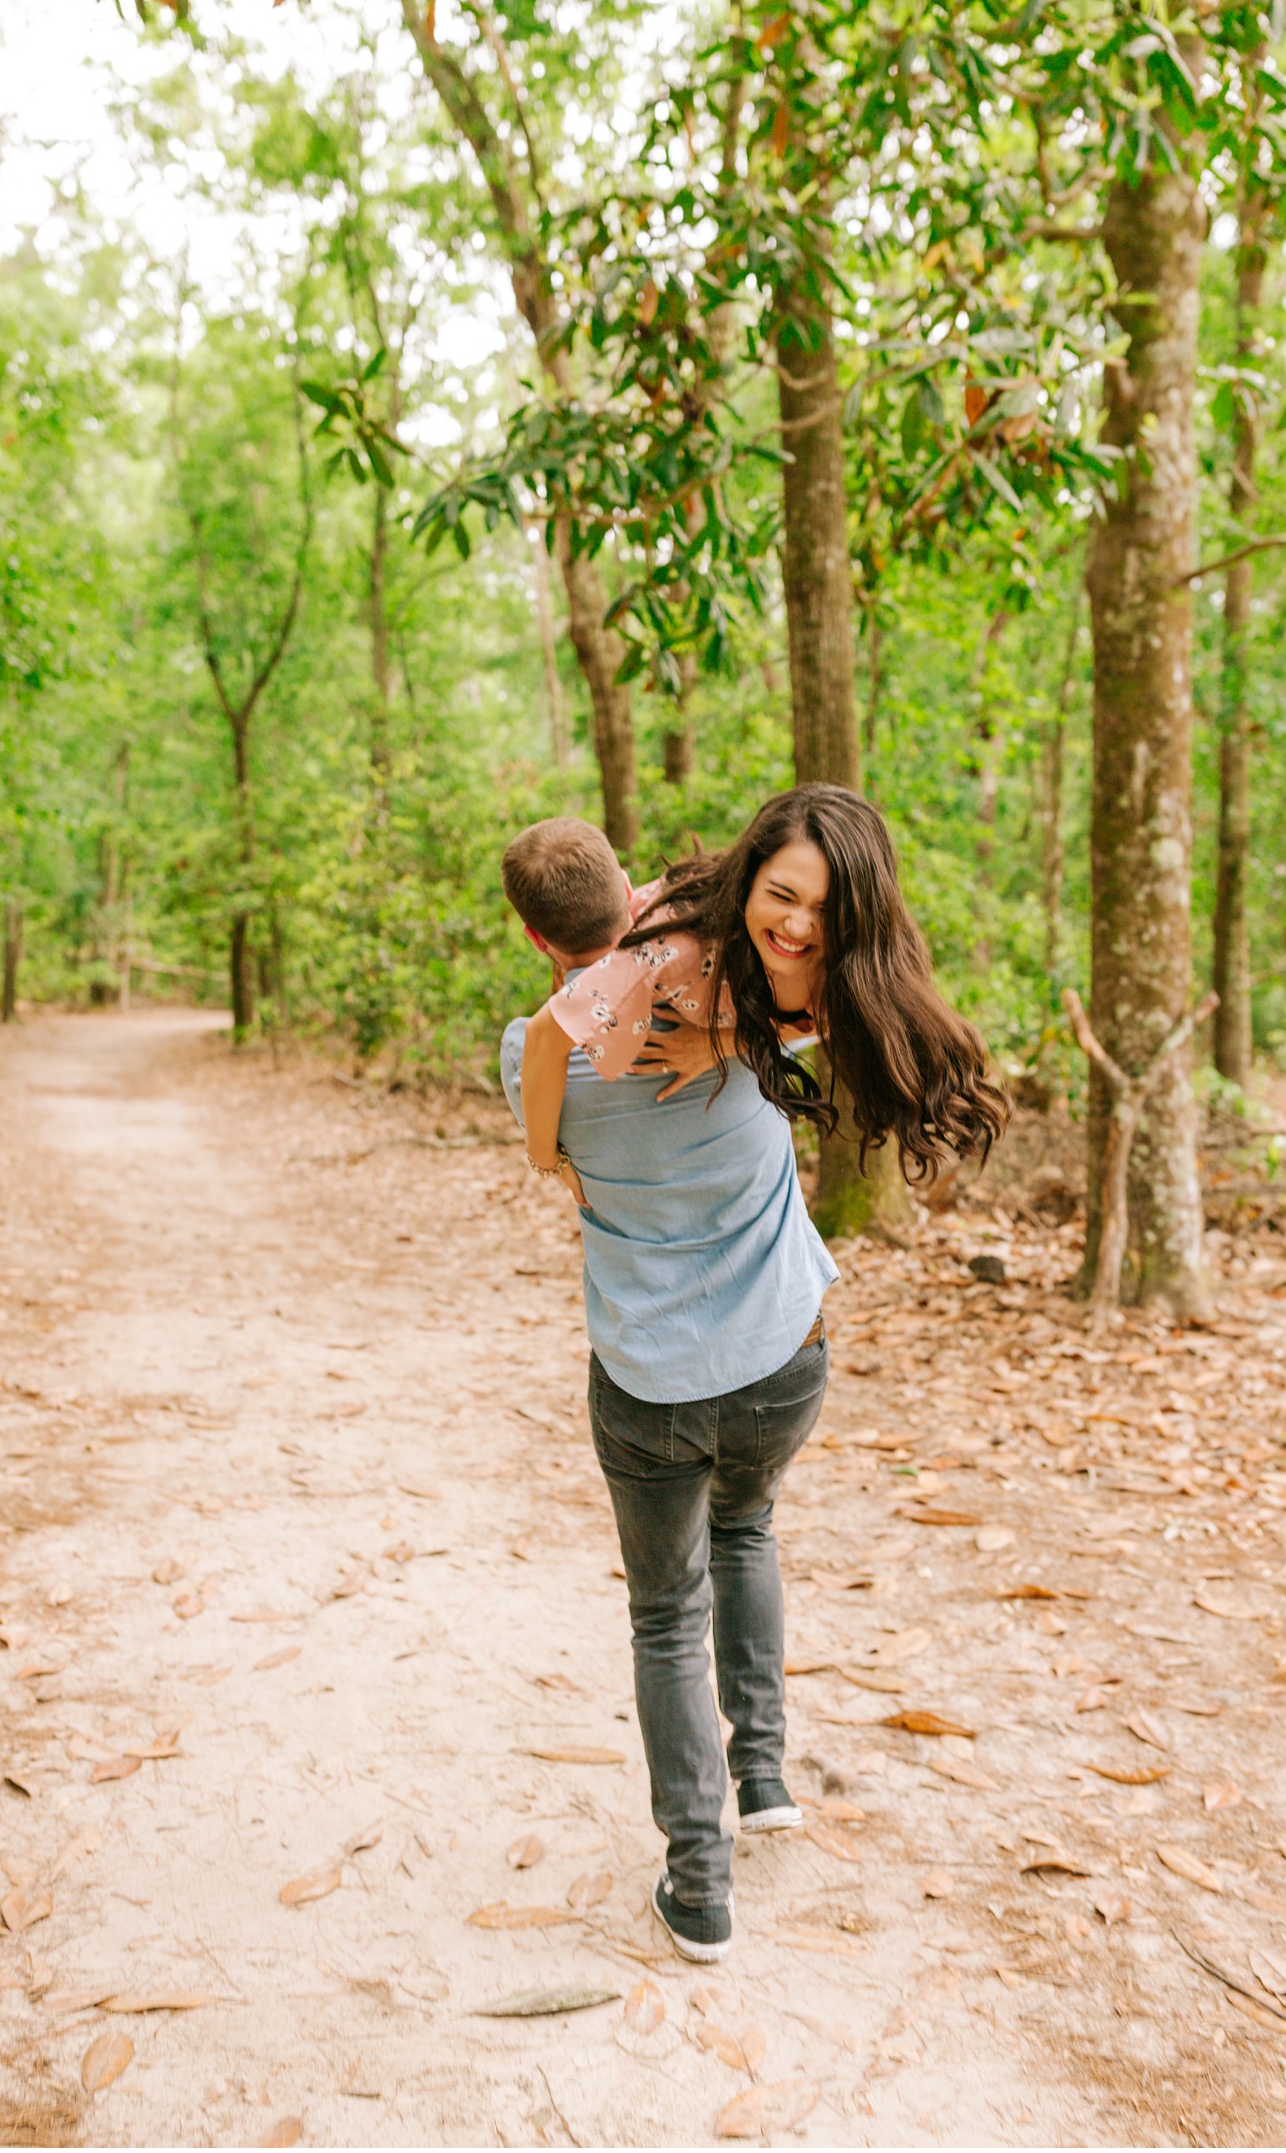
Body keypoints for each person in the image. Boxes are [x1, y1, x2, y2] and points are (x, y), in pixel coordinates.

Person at [498, 794, 1007, 1964]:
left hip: (649, 1385)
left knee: (665, 1611)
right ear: (634, 891)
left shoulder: (547, 1047)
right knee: (749, 1531)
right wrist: (732, 1041)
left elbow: (546, 1078)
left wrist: (547, 1152)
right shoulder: (740, 991)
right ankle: (764, 1773)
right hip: (785, 1358)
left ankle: (700, 1883)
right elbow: (829, 999)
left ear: (536, 940)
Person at [511, 785, 1008, 1210]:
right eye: (782, 896)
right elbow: (541, 1037)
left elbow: (818, 1019)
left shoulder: (858, 958)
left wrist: (720, 1045)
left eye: (824, 909)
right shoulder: (661, 952)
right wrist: (549, 1162)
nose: (797, 927)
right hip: (667, 948)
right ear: (750, 881)